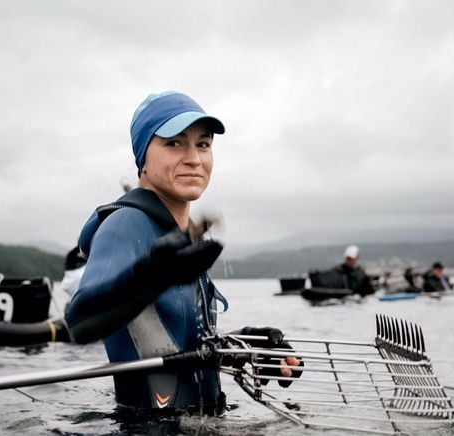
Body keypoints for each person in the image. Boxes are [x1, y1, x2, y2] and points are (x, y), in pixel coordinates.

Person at [66, 91, 300, 416]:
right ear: (142, 157)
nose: (194, 158)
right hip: (145, 427)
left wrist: (244, 346)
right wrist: (153, 274)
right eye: (174, 143)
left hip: (200, 422)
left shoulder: (179, 237)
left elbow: (176, 344)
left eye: (202, 144)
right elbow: (80, 322)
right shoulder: (126, 224)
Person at [309, 245, 375, 296]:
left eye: (352, 258)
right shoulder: (339, 270)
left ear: (357, 258)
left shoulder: (361, 273)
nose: (350, 261)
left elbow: (369, 291)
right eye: (348, 258)